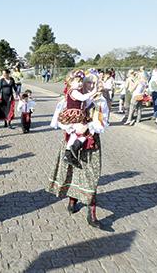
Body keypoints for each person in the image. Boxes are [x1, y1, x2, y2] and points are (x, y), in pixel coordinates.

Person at [48, 73, 109, 229]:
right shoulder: (71, 98)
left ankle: (92, 214)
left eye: (93, 83)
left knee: (91, 175)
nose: (88, 85)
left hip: (90, 143)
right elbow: (58, 120)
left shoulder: (100, 102)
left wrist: (87, 127)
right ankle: (72, 201)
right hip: (72, 139)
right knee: (72, 171)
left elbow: (102, 124)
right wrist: (71, 127)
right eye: (87, 81)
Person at [56, 70, 97, 169]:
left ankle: (68, 154)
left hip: (77, 114)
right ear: (70, 82)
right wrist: (93, 92)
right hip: (75, 114)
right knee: (86, 129)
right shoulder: (74, 92)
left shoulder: (74, 91)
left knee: (75, 134)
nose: (80, 84)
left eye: (80, 82)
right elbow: (83, 98)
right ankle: (74, 147)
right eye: (77, 82)